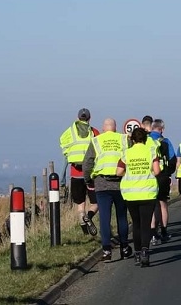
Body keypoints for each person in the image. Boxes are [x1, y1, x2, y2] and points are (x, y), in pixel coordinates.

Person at [83, 118, 132, 262]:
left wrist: (88, 180)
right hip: (121, 183)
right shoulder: (124, 139)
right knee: (122, 216)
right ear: (115, 128)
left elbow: (87, 163)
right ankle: (124, 247)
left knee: (104, 218)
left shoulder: (96, 140)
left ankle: (106, 251)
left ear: (103, 129)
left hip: (101, 183)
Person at [117, 127, 160, 267]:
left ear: (132, 139)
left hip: (131, 194)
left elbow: (118, 172)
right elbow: (157, 171)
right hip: (148, 192)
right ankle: (145, 252)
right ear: (145, 139)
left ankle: (136, 253)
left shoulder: (126, 153)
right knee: (146, 224)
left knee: (136, 224)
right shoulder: (151, 151)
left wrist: (129, 175)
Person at [59, 108, 99, 236]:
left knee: (80, 204)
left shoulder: (70, 132)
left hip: (75, 173)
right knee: (95, 202)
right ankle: (89, 216)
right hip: (90, 173)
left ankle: (84, 230)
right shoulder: (94, 132)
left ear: (77, 118)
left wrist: (68, 155)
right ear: (89, 118)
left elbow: (63, 147)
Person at [149, 119, 177, 245]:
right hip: (162, 176)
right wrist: (168, 173)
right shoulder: (165, 141)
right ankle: (164, 231)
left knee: (151, 205)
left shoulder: (145, 141)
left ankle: (152, 233)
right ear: (161, 129)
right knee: (162, 204)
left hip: (148, 177)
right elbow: (172, 160)